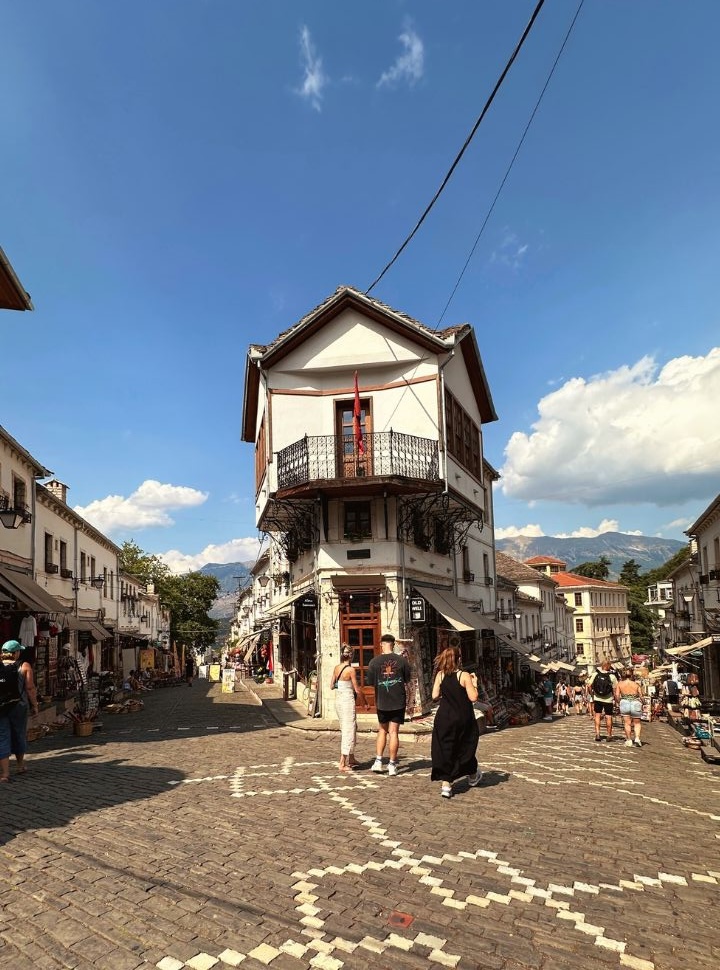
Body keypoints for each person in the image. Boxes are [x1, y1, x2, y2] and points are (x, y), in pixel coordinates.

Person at [430, 646, 481, 799]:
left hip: (444, 717)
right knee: (465, 746)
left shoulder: (440, 675)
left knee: (445, 748)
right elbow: (473, 698)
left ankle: (446, 784)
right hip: (462, 716)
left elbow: (434, 696)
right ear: (459, 659)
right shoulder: (464, 675)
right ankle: (472, 776)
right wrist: (475, 683)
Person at [365, 633, 411, 776]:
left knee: (382, 731)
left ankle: (378, 761)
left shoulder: (374, 662)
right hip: (398, 701)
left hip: (382, 701)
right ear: (394, 644)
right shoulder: (402, 661)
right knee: (394, 732)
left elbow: (371, 682)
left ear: (381, 644)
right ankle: (392, 764)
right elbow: (407, 680)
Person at [1, 639, 39, 778]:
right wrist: (35, 705)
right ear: (16, 652)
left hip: (1, 707)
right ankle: (20, 765)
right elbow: (30, 688)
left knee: (2, 737)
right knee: (19, 734)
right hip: (19, 705)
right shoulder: (24, 666)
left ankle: (5, 773)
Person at [331, 645, 368, 772]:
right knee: (348, 729)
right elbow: (357, 689)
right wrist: (365, 703)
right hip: (347, 701)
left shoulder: (336, 668)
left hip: (338, 700)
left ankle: (351, 758)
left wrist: (341, 685)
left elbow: (331, 685)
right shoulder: (351, 670)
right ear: (351, 656)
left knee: (350, 727)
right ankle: (342, 762)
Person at [588, 661, 618, 742]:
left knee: (597, 715)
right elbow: (615, 690)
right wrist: (616, 700)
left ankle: (597, 734)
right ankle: (609, 735)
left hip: (597, 698)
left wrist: (592, 695)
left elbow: (589, 685)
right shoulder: (612, 676)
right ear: (609, 667)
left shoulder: (595, 674)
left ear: (602, 666)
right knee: (608, 716)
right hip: (608, 699)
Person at [615, 668, 643, 747]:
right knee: (637, 723)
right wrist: (643, 703)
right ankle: (637, 739)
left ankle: (629, 740)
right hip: (635, 703)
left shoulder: (620, 684)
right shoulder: (636, 684)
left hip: (624, 702)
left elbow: (617, 695)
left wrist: (618, 702)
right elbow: (641, 695)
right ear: (631, 675)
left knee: (627, 723)